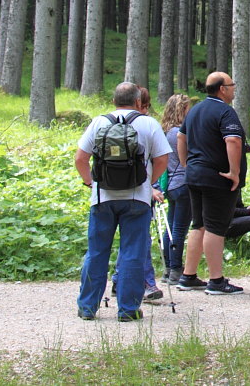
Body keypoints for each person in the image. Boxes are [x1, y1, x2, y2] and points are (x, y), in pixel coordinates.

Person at [74, 82, 171, 321]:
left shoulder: (99, 122)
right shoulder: (148, 123)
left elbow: (80, 159)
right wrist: (148, 182)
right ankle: (128, 309)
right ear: (138, 101)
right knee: (132, 253)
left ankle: (87, 307)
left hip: (102, 198)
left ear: (114, 101)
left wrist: (90, 183)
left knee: (97, 252)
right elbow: (162, 159)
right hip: (137, 199)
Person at [176, 71, 248, 295]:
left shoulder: (195, 110)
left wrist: (186, 163)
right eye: (231, 85)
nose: (234, 88)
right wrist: (234, 172)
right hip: (217, 177)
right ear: (222, 89)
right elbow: (233, 140)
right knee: (216, 226)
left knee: (198, 224)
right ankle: (216, 280)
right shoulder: (225, 111)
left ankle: (188, 275)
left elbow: (181, 137)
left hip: (195, 175)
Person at [160, 93, 195, 284]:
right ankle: (175, 268)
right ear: (181, 110)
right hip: (183, 183)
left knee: (171, 227)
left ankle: (168, 268)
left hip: (171, 185)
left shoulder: (166, 132)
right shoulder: (179, 133)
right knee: (179, 229)